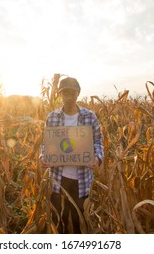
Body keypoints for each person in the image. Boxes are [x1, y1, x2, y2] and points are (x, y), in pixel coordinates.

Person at [41, 77, 104, 233]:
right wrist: (43, 156)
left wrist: (97, 158)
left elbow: (98, 142)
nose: (69, 97)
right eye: (65, 93)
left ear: (78, 93)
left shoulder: (90, 116)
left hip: (81, 180)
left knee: (79, 221)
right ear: (60, 94)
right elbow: (46, 143)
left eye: (72, 93)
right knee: (59, 219)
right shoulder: (52, 117)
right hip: (58, 179)